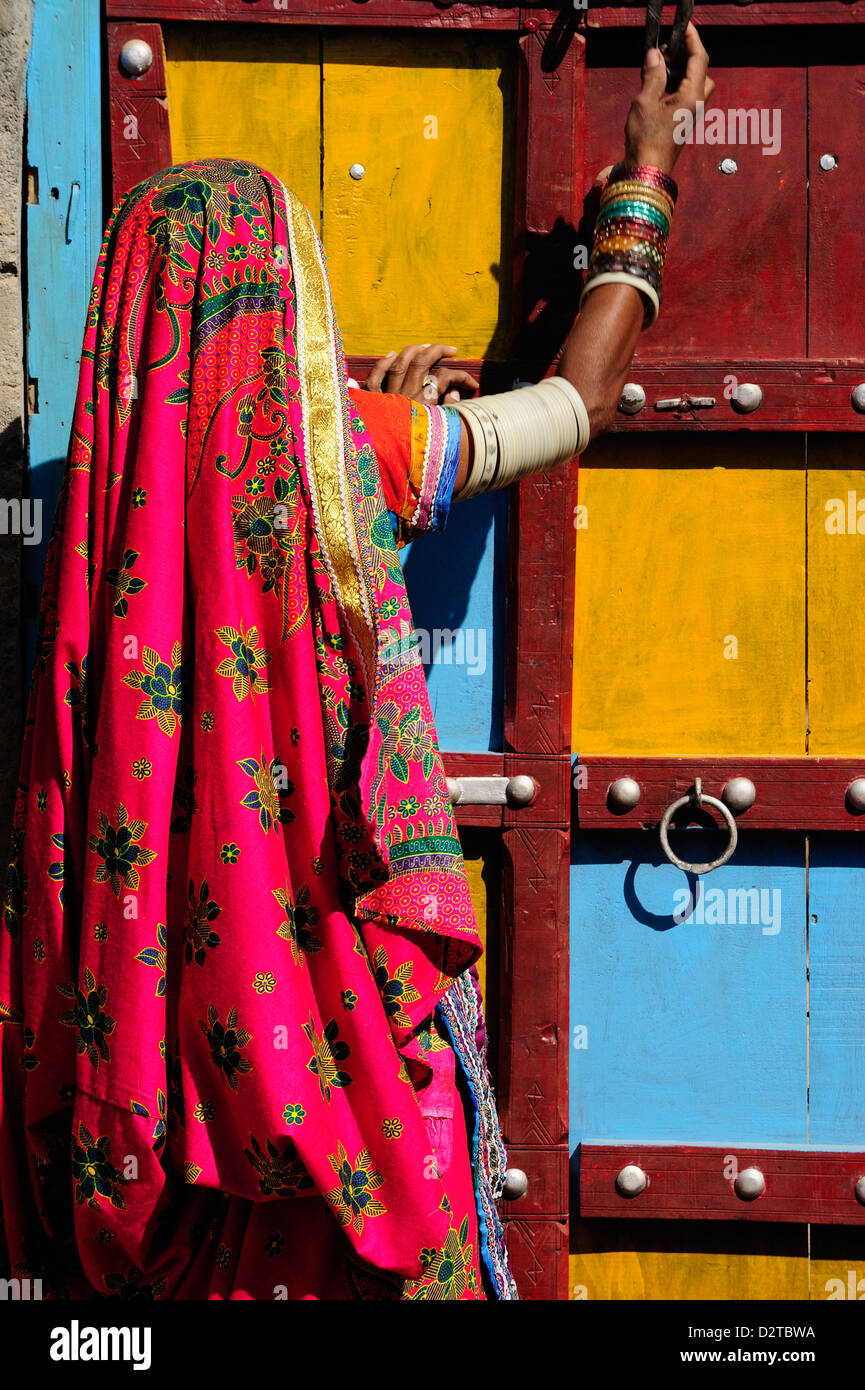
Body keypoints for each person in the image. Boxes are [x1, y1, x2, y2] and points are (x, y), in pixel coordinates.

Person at [0, 29, 712, 1300]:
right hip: (347, 1071)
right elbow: (573, 410)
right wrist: (644, 184)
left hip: (168, 1119)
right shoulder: (351, 456)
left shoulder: (92, 524)